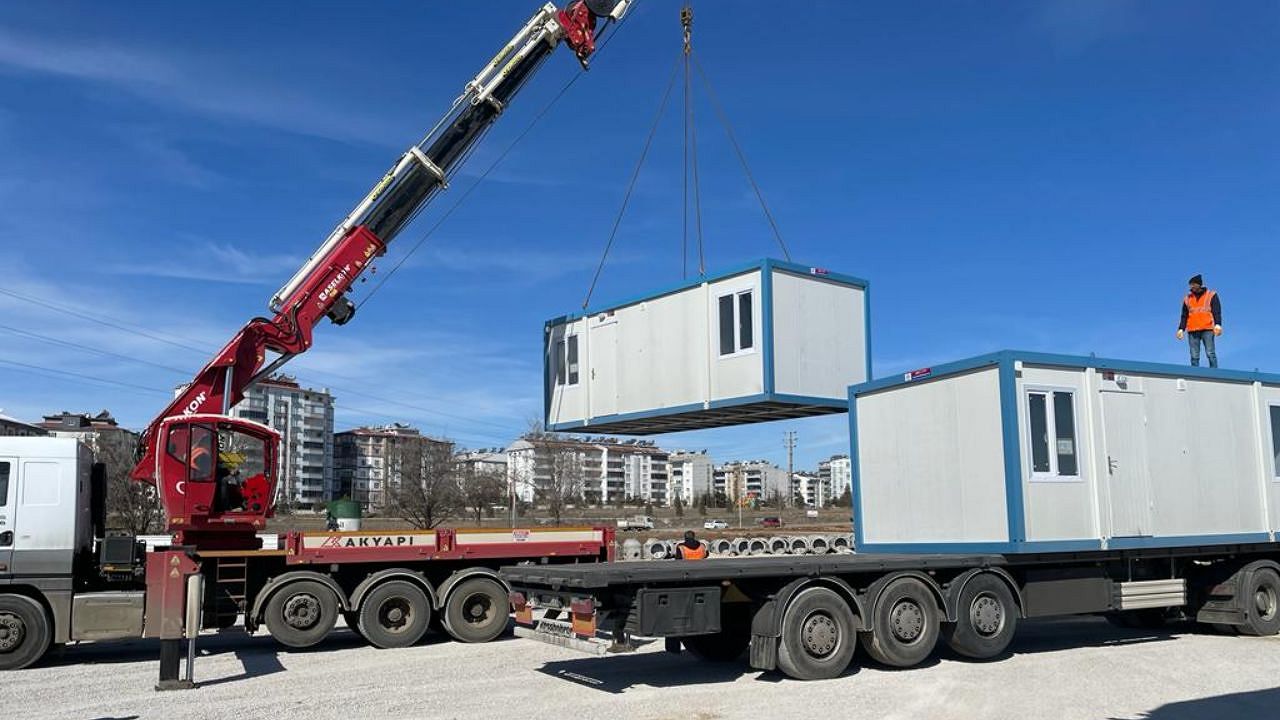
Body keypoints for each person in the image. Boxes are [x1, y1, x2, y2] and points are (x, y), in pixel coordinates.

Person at [1176, 274, 1222, 368]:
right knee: (1194, 356)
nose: (1191, 287)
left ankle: (1214, 372)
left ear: (1199, 284)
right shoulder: (1187, 299)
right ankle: (1195, 374)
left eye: (1193, 284)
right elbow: (1184, 315)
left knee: (1210, 353)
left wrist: (1218, 324)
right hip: (1193, 330)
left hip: (1207, 328)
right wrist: (1181, 329)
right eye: (1190, 285)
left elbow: (1216, 311)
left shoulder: (1211, 295)